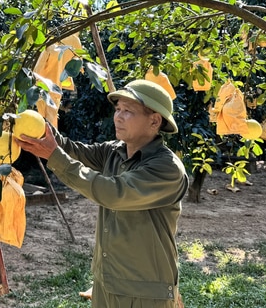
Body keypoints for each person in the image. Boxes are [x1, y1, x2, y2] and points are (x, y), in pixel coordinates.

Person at [16, 79, 189, 308]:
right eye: (118, 109)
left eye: (128, 111)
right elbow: (72, 150)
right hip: (107, 282)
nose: (118, 116)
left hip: (145, 291)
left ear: (154, 120)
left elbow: (113, 193)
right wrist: (36, 126)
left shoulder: (166, 168)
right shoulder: (115, 151)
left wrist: (54, 155)